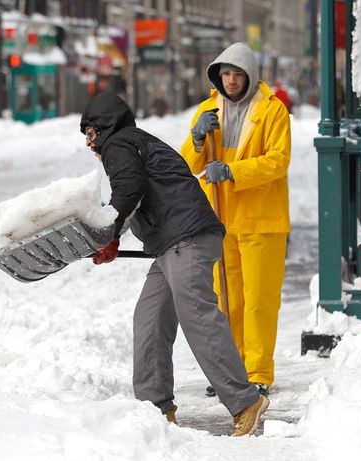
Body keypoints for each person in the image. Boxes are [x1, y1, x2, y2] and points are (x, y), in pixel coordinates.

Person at [80, 90, 268, 436]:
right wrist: (112, 233)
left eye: (91, 132)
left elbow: (129, 191)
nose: (90, 142)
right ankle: (155, 409)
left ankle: (245, 402)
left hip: (186, 238)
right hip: (173, 241)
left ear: (104, 126)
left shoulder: (118, 145)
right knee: (149, 318)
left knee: (197, 315)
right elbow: (135, 193)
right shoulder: (133, 142)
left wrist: (111, 233)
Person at [180, 42, 291, 397]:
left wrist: (232, 170)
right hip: (221, 220)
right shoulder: (206, 110)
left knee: (259, 301)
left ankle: (257, 372)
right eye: (225, 74)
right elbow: (187, 166)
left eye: (237, 74)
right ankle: (230, 371)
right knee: (227, 301)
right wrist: (197, 138)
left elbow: (278, 161)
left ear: (250, 76)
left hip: (261, 220)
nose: (230, 80)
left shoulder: (273, 112)